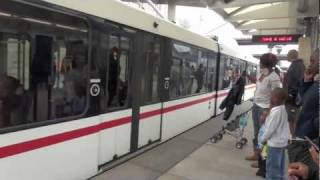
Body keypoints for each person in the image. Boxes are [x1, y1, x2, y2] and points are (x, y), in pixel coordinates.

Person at [245, 53, 282, 165]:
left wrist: (268, 111)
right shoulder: (263, 74)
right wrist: (247, 75)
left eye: (261, 61)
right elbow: (258, 84)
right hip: (256, 106)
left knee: (264, 135)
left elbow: (276, 96)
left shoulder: (274, 77)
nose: (259, 63)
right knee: (257, 133)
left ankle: (263, 161)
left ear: (265, 63)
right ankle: (256, 155)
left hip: (265, 109)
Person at [261, 88, 290, 180]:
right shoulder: (282, 110)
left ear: (276, 98)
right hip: (281, 143)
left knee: (272, 169)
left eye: (272, 96)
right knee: (279, 167)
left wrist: (263, 139)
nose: (270, 97)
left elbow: (270, 129)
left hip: (274, 144)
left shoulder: (276, 112)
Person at [295, 48, 319, 139]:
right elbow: (300, 100)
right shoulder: (315, 82)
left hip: (311, 139)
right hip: (304, 135)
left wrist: (310, 126)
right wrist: (306, 81)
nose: (309, 65)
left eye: (313, 61)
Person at [284, 50, 305, 134]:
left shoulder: (297, 66)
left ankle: (294, 138)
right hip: (293, 97)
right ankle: (293, 137)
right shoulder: (297, 65)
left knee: (293, 119)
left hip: (293, 98)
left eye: (287, 55)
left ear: (291, 55)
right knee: (291, 119)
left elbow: (297, 81)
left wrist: (290, 94)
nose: (286, 57)